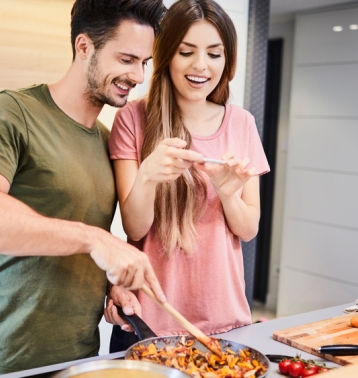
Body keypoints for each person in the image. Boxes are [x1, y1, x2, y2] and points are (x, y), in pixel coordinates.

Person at [0, 0, 168, 376]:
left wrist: (107, 290)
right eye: (127, 59)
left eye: (144, 62)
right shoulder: (12, 112)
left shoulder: (106, 140)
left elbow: (71, 242)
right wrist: (96, 241)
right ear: (84, 47)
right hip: (4, 358)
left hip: (78, 358)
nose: (139, 76)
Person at [103, 0, 270, 352]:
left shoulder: (242, 123)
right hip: (148, 323)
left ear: (228, 61)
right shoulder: (133, 119)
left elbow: (249, 228)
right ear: (167, 55)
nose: (200, 66)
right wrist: (149, 174)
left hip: (225, 323)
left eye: (214, 54)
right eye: (186, 51)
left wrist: (227, 194)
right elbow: (135, 228)